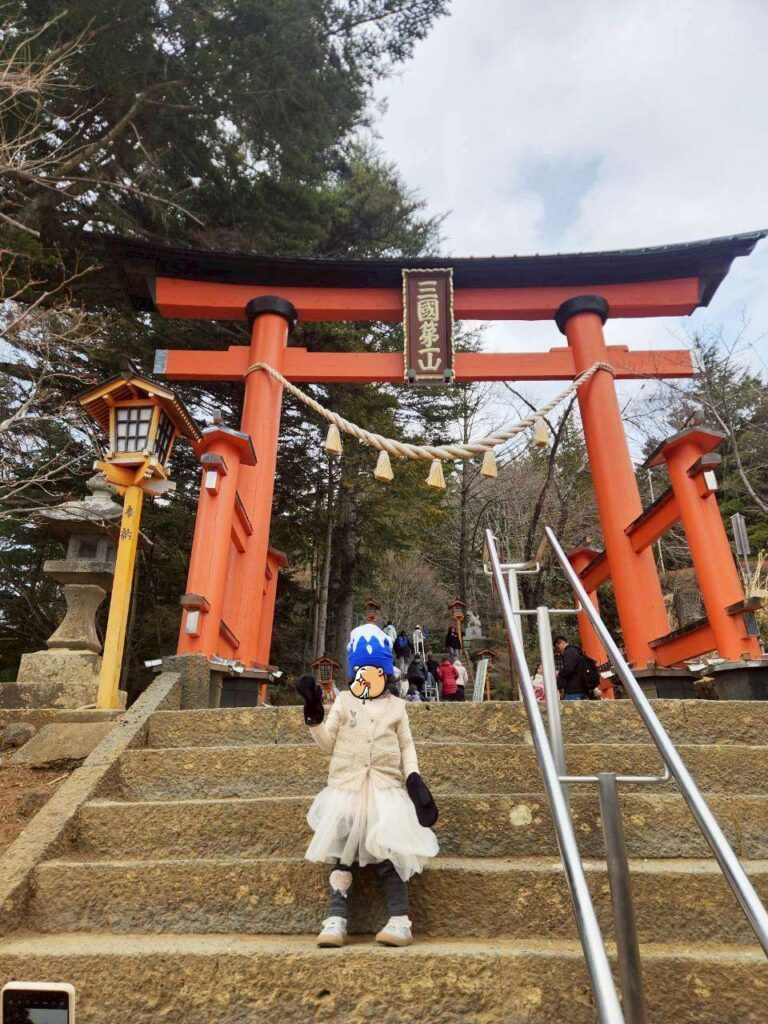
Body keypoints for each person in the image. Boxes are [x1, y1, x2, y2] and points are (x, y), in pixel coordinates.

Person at [296, 623, 439, 949]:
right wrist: (314, 715)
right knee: (341, 855)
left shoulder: (397, 708)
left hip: (384, 791)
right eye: (362, 669)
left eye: (375, 670)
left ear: (386, 672)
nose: (368, 676)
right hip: (346, 789)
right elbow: (327, 743)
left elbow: (406, 746)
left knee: (387, 853)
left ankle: (400, 920)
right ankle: (336, 918)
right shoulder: (344, 702)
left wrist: (413, 777)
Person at [553, 635, 590, 701]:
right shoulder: (577, 651)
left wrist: (559, 673)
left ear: (561, 643)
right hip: (582, 688)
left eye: (557, 648)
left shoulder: (569, 652)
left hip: (573, 690)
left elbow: (568, 668)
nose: (559, 652)